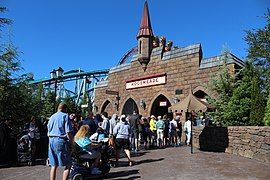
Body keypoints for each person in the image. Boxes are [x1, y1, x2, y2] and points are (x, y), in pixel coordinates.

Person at [47, 103, 74, 180]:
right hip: (60, 140)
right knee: (68, 164)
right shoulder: (65, 116)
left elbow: (48, 130)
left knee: (53, 165)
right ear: (65, 109)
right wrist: (72, 143)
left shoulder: (52, 117)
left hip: (51, 140)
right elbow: (68, 132)